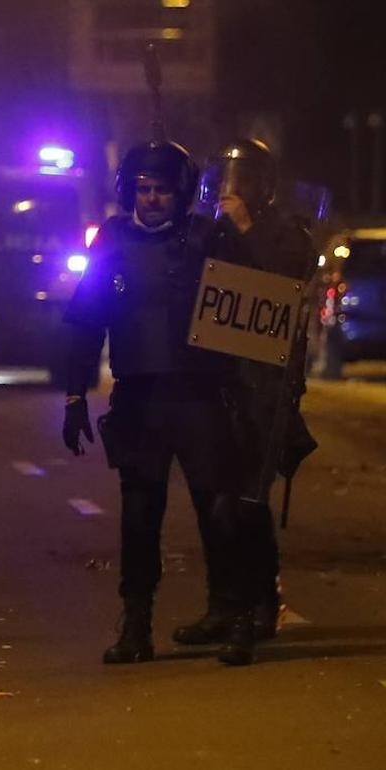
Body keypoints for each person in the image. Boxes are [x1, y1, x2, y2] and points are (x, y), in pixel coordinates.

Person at [61, 140, 258, 666]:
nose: (152, 199)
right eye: (143, 189)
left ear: (182, 193)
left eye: (163, 190)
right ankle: (137, 624)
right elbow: (85, 320)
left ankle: (235, 616)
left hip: (200, 394)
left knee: (220, 511)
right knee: (140, 515)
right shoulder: (112, 241)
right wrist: (75, 393)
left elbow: (252, 305)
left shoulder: (207, 238)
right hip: (140, 397)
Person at [172, 139, 318, 646]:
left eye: (242, 181)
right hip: (217, 383)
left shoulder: (286, 237)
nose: (231, 192)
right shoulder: (207, 232)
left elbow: (281, 285)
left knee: (247, 502)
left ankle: (260, 603)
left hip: (264, 389)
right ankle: (223, 604)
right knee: (214, 499)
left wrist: (244, 232)